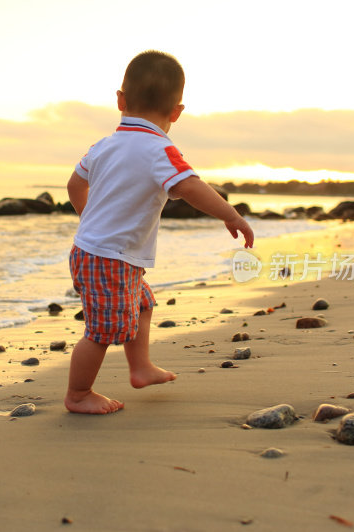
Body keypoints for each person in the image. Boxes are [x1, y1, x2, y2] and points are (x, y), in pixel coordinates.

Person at [65, 50, 254, 415]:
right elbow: (189, 187)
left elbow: (74, 185)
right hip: (109, 258)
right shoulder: (160, 150)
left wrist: (91, 222)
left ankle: (140, 367)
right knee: (101, 333)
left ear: (120, 100)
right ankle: (77, 394)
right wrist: (231, 215)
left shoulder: (103, 146)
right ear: (176, 112)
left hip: (97, 252)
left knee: (141, 304)